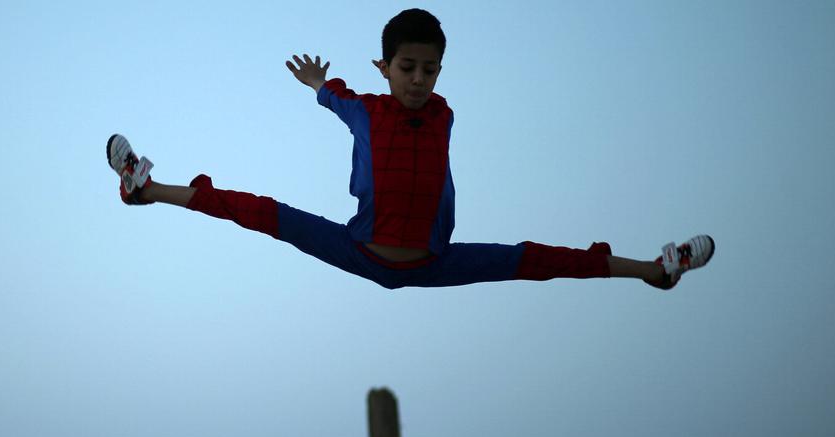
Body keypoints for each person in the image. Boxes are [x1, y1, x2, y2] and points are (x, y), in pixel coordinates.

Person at [106, 9, 714, 292]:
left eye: (430, 69)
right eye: (408, 67)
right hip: (359, 248)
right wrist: (319, 83)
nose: (420, 79)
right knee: (262, 212)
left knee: (537, 258)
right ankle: (144, 188)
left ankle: (655, 272)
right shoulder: (367, 109)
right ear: (386, 67)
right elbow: (336, 97)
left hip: (433, 260)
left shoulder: (445, 112)